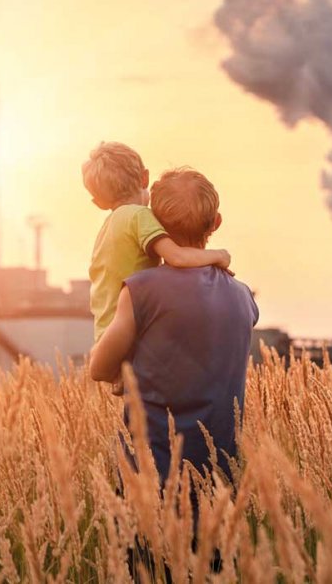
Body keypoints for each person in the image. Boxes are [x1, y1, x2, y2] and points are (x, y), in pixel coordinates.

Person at [88, 167, 259, 484]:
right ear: (216, 222)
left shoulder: (140, 290)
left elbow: (99, 368)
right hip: (221, 478)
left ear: (153, 222)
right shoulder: (243, 297)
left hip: (150, 478)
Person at [82, 142, 232, 393]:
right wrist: (219, 256)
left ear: (97, 202)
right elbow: (177, 258)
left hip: (106, 332)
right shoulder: (138, 217)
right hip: (125, 334)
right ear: (145, 178)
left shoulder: (111, 225)